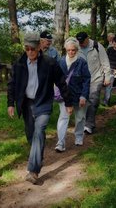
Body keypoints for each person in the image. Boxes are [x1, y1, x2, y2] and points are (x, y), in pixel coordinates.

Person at [7, 32, 71, 185]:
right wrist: (10, 103)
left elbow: (62, 82)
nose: (30, 52)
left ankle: (33, 171)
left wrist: (68, 102)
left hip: (43, 102)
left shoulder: (49, 63)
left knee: (39, 131)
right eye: (27, 49)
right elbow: (12, 85)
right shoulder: (19, 63)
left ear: (39, 48)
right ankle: (38, 157)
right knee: (31, 134)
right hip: (27, 104)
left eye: (32, 49)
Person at [55, 37, 91, 153]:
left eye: (73, 50)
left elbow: (86, 80)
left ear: (77, 50)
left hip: (79, 95)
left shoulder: (82, 62)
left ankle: (79, 137)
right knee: (63, 118)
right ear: (66, 50)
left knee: (80, 118)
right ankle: (60, 143)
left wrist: (84, 96)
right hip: (64, 96)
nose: (71, 52)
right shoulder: (60, 62)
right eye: (69, 50)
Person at [76, 32, 111, 134]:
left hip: (96, 78)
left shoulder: (97, 46)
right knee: (82, 101)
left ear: (88, 38)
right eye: (79, 42)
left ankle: (89, 125)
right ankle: (81, 122)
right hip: (81, 80)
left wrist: (107, 77)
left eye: (82, 41)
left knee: (93, 99)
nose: (81, 43)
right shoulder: (76, 47)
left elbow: (105, 62)